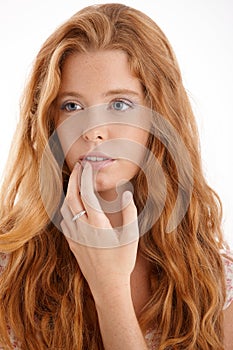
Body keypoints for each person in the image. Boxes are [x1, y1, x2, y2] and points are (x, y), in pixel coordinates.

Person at [0, 3, 232, 349]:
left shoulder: (213, 281)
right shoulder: (9, 267)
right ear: (50, 122)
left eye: (119, 104)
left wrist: (110, 289)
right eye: (72, 106)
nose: (93, 130)